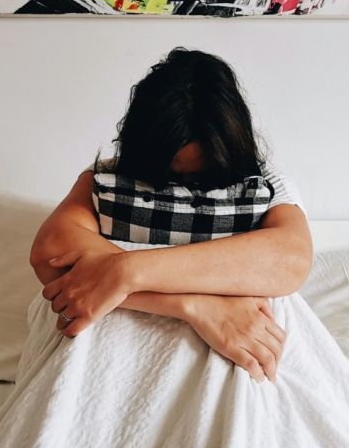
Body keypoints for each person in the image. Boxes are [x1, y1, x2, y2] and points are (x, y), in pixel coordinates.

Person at [28, 47, 312, 382]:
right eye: (169, 175)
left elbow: (290, 260)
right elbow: (51, 252)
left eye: (199, 178)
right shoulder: (106, 178)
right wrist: (198, 307)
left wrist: (127, 270)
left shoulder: (269, 187)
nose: (184, 187)